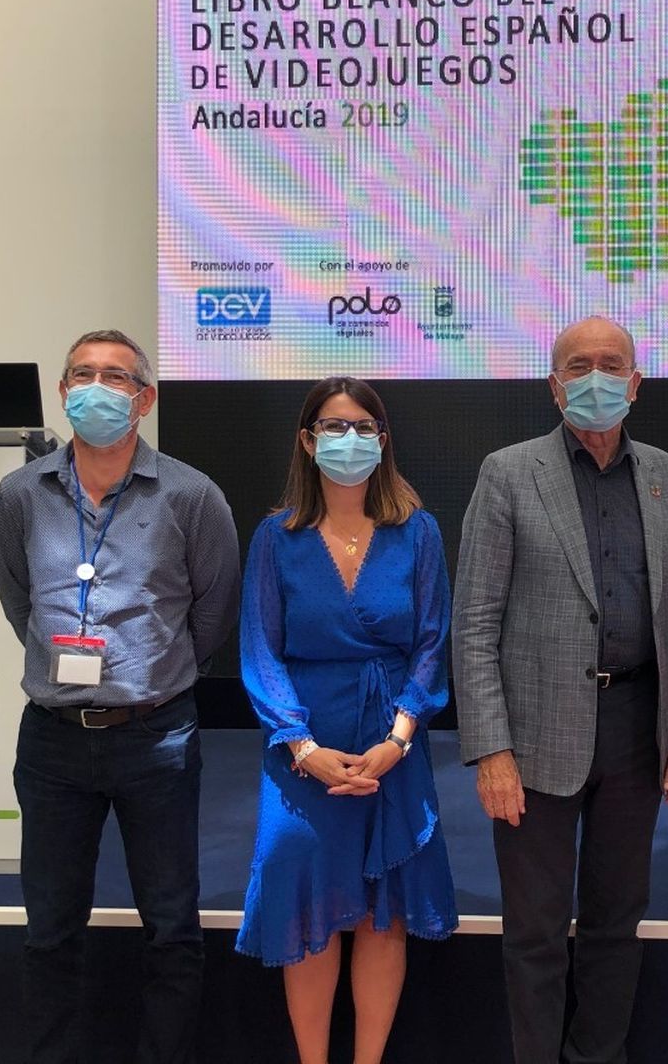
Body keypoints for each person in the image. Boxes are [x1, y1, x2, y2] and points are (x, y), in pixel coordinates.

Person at [452, 315, 668, 1064]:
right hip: (533, 736)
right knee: (533, 930)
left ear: (635, 383)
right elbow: (474, 624)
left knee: (615, 920)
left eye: (610, 365)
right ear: (553, 384)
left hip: (639, 727)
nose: (594, 378)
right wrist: (490, 750)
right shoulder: (508, 472)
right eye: (577, 365)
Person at [0, 328, 240, 1064]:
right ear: (63, 392)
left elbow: (213, 612)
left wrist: (152, 677)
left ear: (145, 397)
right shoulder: (20, 495)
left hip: (155, 736)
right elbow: (18, 600)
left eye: (116, 376)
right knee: (49, 929)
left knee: (171, 926)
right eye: (82, 374)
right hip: (53, 742)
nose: (97, 388)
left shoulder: (192, 496)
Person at [236, 376, 457, 1064]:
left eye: (365, 426)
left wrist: (398, 739)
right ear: (308, 441)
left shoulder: (417, 531)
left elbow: (431, 641)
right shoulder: (277, 537)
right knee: (305, 891)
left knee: (381, 904)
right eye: (334, 427)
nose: (350, 439)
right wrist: (302, 747)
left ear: (383, 440)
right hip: (303, 743)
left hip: (392, 740)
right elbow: (260, 649)